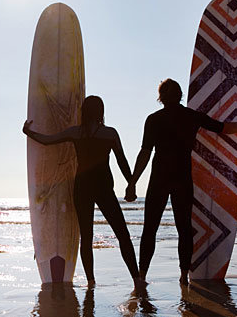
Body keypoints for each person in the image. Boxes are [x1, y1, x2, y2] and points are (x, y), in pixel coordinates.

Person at [125, 79, 237, 285]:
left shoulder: (154, 119)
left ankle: (142, 276)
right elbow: (223, 128)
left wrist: (132, 182)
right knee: (184, 228)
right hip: (182, 177)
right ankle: (184, 275)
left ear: (161, 97)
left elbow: (145, 154)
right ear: (180, 95)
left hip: (159, 177)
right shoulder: (191, 117)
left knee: (150, 228)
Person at [23, 95, 146, 291]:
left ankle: (91, 282)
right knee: (122, 234)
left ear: (84, 111)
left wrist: (28, 132)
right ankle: (136, 279)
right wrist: (131, 185)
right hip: (104, 187)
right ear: (101, 112)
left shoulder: (76, 132)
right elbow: (122, 161)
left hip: (82, 188)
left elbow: (48, 141)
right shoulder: (110, 133)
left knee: (87, 237)